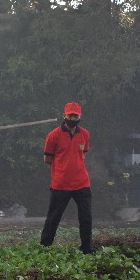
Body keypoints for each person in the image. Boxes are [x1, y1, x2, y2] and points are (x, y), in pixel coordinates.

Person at [40, 102, 93, 254]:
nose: (72, 118)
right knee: (53, 218)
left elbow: (83, 154)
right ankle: (44, 247)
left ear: (80, 117)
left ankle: (87, 249)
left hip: (82, 183)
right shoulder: (53, 135)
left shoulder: (85, 134)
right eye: (70, 115)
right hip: (60, 184)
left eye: (75, 116)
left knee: (86, 218)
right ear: (64, 116)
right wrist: (63, 166)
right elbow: (47, 159)